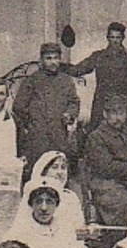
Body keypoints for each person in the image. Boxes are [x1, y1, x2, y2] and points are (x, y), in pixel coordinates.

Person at [82, 95, 127, 227]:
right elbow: (105, 168)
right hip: (105, 184)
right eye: (114, 113)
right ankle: (122, 237)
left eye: (121, 113)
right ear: (105, 114)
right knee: (124, 203)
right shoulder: (96, 137)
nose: (118, 118)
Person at [66, 21, 127, 133]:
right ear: (107, 38)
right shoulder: (99, 56)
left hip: (123, 108)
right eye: (112, 37)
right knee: (98, 140)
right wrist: (59, 67)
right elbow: (78, 69)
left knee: (125, 141)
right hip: (101, 106)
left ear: (123, 38)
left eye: (118, 37)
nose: (115, 40)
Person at [13, 42, 81, 176]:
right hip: (38, 136)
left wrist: (69, 114)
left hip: (59, 135)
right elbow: (18, 106)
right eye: (48, 58)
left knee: (58, 170)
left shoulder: (66, 81)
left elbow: (74, 102)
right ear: (42, 60)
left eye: (55, 58)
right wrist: (33, 120)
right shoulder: (32, 80)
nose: (53, 62)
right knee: (37, 170)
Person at [17, 151, 86, 232]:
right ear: (43, 171)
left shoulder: (71, 197)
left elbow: (79, 226)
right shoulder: (31, 195)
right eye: (54, 167)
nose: (60, 173)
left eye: (63, 167)